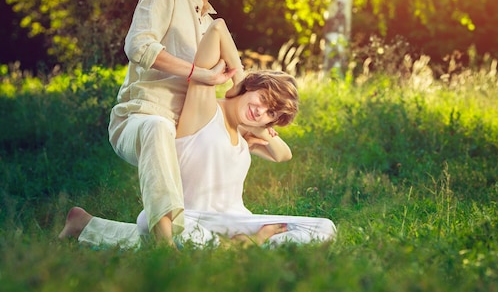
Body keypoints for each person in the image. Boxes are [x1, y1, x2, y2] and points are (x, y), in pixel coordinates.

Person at [59, 19, 336, 249]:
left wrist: (261, 127)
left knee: (325, 228)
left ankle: (87, 225)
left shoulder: (246, 135)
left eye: (271, 113)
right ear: (252, 86)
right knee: (160, 228)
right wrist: (239, 81)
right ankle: (245, 246)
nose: (261, 110)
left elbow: (283, 155)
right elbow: (217, 29)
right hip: (187, 219)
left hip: (235, 220)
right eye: (263, 98)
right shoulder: (205, 108)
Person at [108, 0, 251, 247]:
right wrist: (197, 73)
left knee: (209, 212)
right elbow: (139, 46)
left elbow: (234, 87)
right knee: (158, 127)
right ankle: (165, 246)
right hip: (143, 116)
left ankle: (86, 225)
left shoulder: (213, 24)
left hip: (188, 130)